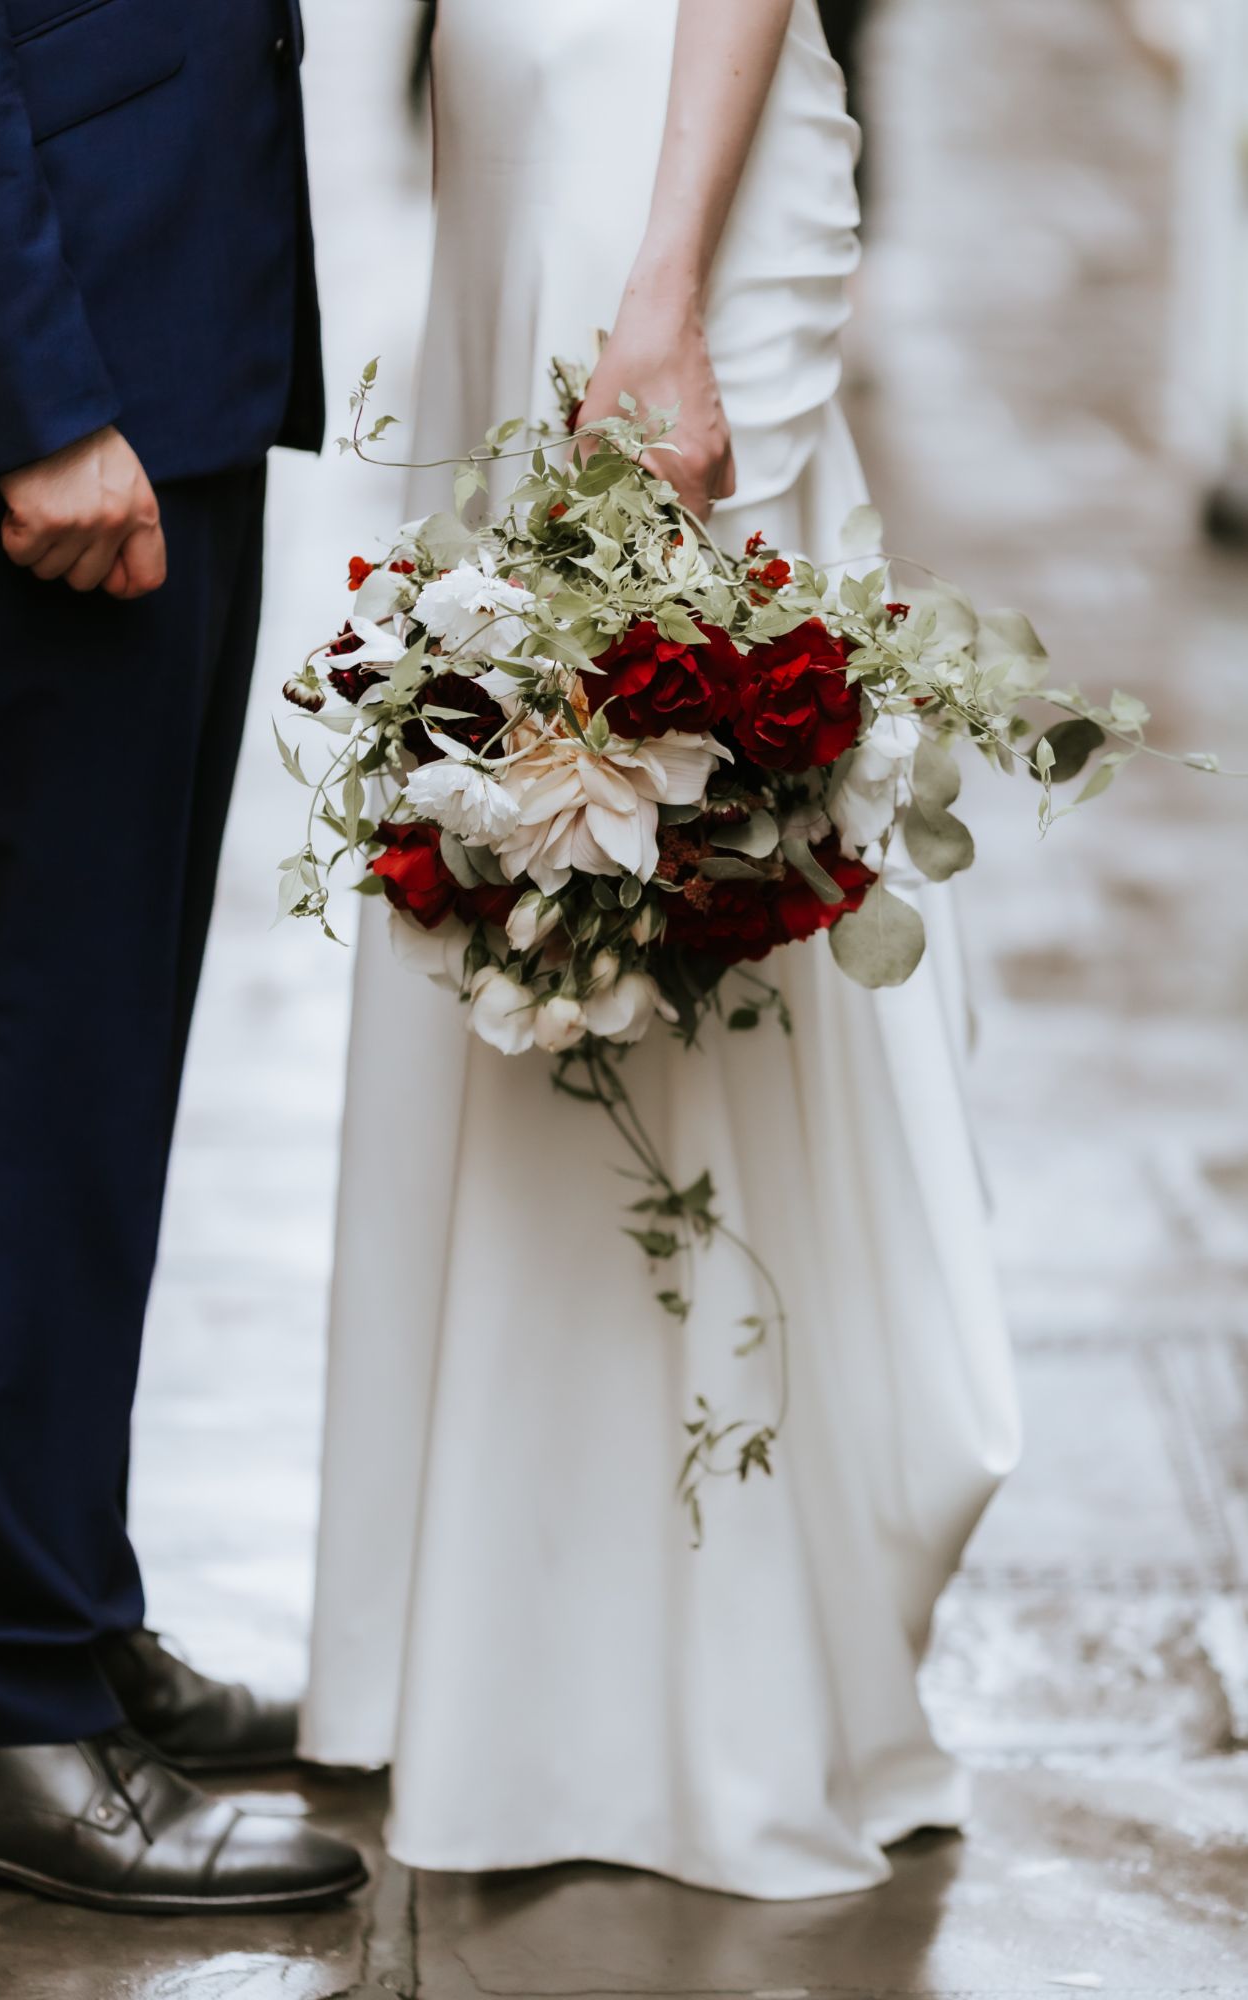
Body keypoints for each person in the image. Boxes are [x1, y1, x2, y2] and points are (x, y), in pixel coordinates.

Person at [303, 0, 1019, 1901]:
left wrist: (665, 275)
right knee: (511, 779)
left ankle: (696, 1673)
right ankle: (489, 1634)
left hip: (652, 157)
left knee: (675, 802)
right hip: (525, 140)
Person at [0, 0, 364, 1914]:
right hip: (65, 374)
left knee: (86, 1058)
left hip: (159, 338)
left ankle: (58, 1618)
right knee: (27, 1060)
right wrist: (29, 394)